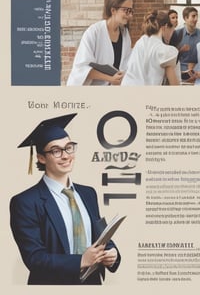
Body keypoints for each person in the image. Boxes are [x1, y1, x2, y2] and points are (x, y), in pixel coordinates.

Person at [10, 113, 121, 284]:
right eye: (56, 151)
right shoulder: (25, 202)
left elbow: (101, 236)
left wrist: (112, 253)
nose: (66, 155)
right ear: (41, 158)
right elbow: (34, 258)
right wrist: (81, 261)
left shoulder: (88, 194)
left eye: (69, 147)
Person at [67, 0, 133, 86]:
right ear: (113, 10)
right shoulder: (94, 32)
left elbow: (126, 64)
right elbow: (82, 68)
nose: (130, 15)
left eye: (131, 11)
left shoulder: (125, 34)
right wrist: (110, 79)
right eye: (126, 10)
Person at [121, 10, 179, 86]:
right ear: (165, 27)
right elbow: (174, 84)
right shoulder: (164, 50)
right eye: (171, 30)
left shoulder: (140, 41)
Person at [176, 7, 200, 81]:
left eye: (197, 16)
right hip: (180, 74)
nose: (196, 19)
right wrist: (180, 50)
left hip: (198, 73)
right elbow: (171, 56)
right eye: (193, 16)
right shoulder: (177, 34)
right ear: (185, 18)